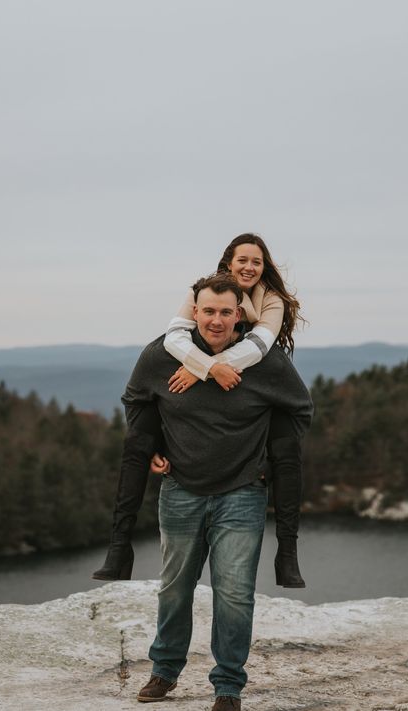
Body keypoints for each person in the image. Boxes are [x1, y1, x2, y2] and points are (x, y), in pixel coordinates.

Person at [121, 274, 313, 709]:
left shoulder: (267, 363)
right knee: (174, 587)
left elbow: (301, 408)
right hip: (180, 491)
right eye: (208, 310)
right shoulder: (162, 356)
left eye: (227, 312)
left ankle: (228, 686)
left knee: (234, 593)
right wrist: (150, 444)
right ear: (194, 311)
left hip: (242, 495)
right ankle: (164, 671)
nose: (216, 320)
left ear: (240, 314)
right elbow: (135, 399)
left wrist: (269, 458)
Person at [93, 233, 308, 588]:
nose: (249, 267)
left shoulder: (271, 301)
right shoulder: (202, 292)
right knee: (138, 441)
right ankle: (118, 547)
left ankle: (287, 553)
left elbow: (257, 346)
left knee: (286, 448)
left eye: (257, 261)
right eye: (242, 260)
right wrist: (202, 369)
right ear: (227, 263)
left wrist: (206, 368)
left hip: (247, 378)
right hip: (183, 477)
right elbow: (175, 337)